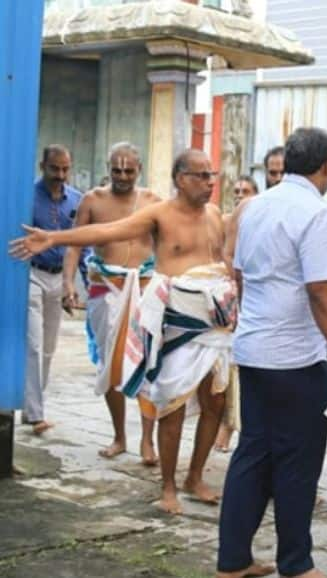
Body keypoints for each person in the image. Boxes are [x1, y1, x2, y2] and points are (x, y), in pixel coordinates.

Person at [11, 149, 234, 516]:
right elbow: (108, 230)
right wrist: (53, 238)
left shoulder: (214, 215)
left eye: (212, 175)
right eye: (202, 176)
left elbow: (224, 260)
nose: (210, 182)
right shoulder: (159, 214)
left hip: (213, 325)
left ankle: (195, 476)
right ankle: (168, 486)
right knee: (173, 405)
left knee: (216, 402)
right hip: (176, 322)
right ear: (181, 179)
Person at [216, 127, 327, 578]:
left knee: (253, 452)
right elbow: (322, 293)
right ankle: (296, 564)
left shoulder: (255, 207)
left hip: (255, 349)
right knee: (298, 461)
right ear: (326, 167)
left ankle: (233, 561)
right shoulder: (316, 214)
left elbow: (241, 274)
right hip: (296, 358)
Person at [61, 142, 160, 465]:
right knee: (111, 366)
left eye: (128, 170)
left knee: (150, 365)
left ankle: (148, 441)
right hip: (106, 290)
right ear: (108, 168)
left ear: (139, 170)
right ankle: (119, 436)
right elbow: (75, 245)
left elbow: (169, 246)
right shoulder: (93, 200)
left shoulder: (152, 202)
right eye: (116, 170)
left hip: (144, 289)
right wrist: (68, 285)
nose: (122, 176)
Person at [23, 145, 84, 435]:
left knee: (48, 348)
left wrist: (78, 284)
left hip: (59, 279)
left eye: (65, 169)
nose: (60, 175)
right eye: (54, 169)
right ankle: (35, 414)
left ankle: (33, 405)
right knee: (33, 345)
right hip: (32, 275)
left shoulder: (77, 200)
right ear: (42, 166)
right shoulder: (27, 197)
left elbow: (80, 244)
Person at [214, 175, 259, 453]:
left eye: (247, 191)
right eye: (237, 192)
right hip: (233, 306)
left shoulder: (324, 217)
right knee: (230, 371)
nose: (241, 196)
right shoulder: (224, 222)